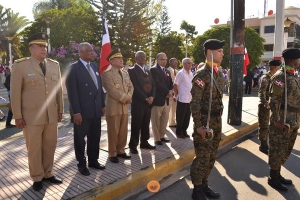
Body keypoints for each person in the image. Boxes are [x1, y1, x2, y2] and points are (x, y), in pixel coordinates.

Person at [10, 32, 63, 191]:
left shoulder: (54, 65)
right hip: (31, 116)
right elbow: (15, 93)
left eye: (45, 46)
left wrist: (60, 109)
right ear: (31, 48)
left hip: (51, 115)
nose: (43, 49)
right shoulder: (21, 66)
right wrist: (18, 116)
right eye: (40, 46)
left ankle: (48, 173)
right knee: (34, 148)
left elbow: (58, 90)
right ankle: (37, 177)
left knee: (50, 145)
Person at [190, 39, 225, 200]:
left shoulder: (217, 72)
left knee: (211, 155)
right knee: (203, 156)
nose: (222, 54)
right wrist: (198, 126)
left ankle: (204, 184)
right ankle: (197, 189)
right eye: (219, 51)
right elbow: (195, 102)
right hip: (205, 121)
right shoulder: (202, 74)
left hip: (216, 121)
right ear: (210, 53)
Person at [65, 42, 106, 176]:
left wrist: (102, 105)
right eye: (89, 51)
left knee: (95, 137)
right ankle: (81, 164)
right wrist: (76, 112)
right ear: (81, 52)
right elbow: (72, 93)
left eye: (92, 51)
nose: (92, 53)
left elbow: (99, 88)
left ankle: (93, 160)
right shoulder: (73, 68)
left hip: (95, 109)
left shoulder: (94, 66)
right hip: (82, 111)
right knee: (80, 139)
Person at [268, 48, 300, 191]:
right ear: (293, 60)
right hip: (283, 120)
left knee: (285, 149)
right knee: (277, 149)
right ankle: (273, 177)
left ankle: (277, 174)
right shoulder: (281, 77)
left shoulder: (293, 75)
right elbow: (274, 100)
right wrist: (277, 120)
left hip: (293, 119)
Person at [102, 49, 134, 163]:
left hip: (124, 107)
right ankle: (112, 153)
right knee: (113, 131)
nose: (122, 60)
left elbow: (131, 87)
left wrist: (129, 97)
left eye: (121, 58)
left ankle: (121, 150)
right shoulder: (107, 74)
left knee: (123, 131)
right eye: (119, 58)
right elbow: (111, 90)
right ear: (112, 61)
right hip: (114, 107)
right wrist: (126, 99)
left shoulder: (125, 73)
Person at [128, 51, 156, 154]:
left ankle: (144, 142)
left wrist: (152, 96)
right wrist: (145, 98)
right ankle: (133, 145)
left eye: (144, 57)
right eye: (140, 57)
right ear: (136, 59)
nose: (143, 58)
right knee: (136, 124)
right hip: (138, 102)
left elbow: (153, 84)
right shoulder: (132, 71)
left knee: (145, 123)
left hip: (149, 102)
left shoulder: (148, 70)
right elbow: (134, 87)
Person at [257, 60, 281, 154]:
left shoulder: (276, 78)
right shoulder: (265, 78)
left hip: (273, 106)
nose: (279, 69)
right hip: (265, 107)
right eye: (278, 67)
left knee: (271, 126)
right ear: (275, 67)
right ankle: (263, 145)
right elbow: (261, 92)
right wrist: (264, 102)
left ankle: (268, 143)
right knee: (264, 125)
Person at [150, 52, 173, 146]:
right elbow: (157, 83)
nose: (164, 61)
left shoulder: (167, 71)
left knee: (164, 119)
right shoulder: (154, 69)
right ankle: (157, 138)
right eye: (162, 59)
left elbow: (171, 82)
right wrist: (167, 92)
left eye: (166, 59)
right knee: (156, 120)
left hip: (167, 99)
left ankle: (162, 136)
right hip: (158, 99)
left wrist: (170, 91)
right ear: (157, 60)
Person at [173, 58, 193, 138]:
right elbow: (175, 85)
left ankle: (184, 131)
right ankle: (179, 132)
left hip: (189, 99)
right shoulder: (181, 73)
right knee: (180, 117)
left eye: (191, 63)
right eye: (188, 63)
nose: (190, 65)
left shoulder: (191, 73)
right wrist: (177, 93)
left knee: (187, 117)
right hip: (182, 98)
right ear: (184, 64)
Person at [168, 58, 178, 127]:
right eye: (174, 62)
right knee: (168, 108)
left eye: (176, 62)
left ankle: (172, 122)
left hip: (176, 93)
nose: (176, 63)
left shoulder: (177, 71)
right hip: (170, 92)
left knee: (174, 108)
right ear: (170, 62)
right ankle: (167, 123)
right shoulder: (167, 70)